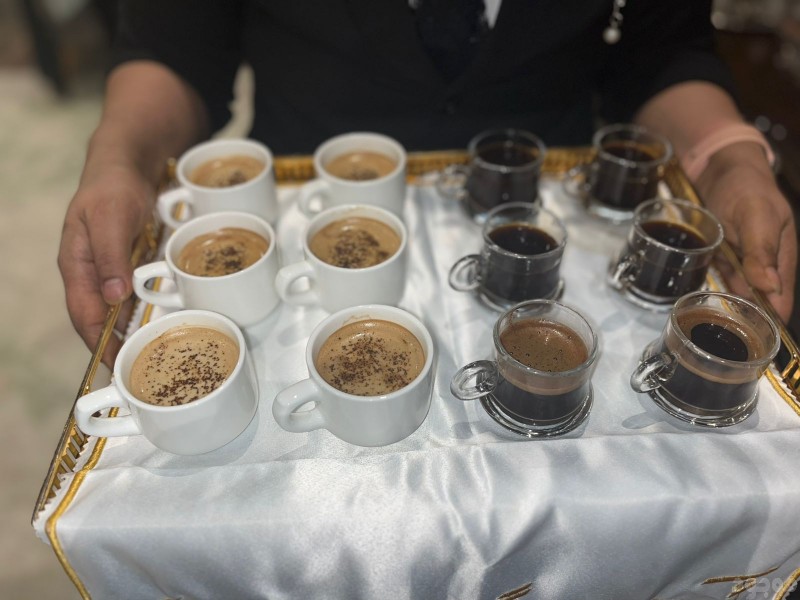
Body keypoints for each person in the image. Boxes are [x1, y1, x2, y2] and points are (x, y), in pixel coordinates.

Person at [59, 0, 797, 362]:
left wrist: (727, 157)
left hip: (555, 213)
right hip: (297, 203)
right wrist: (118, 157)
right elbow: (175, 50)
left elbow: (664, 52)